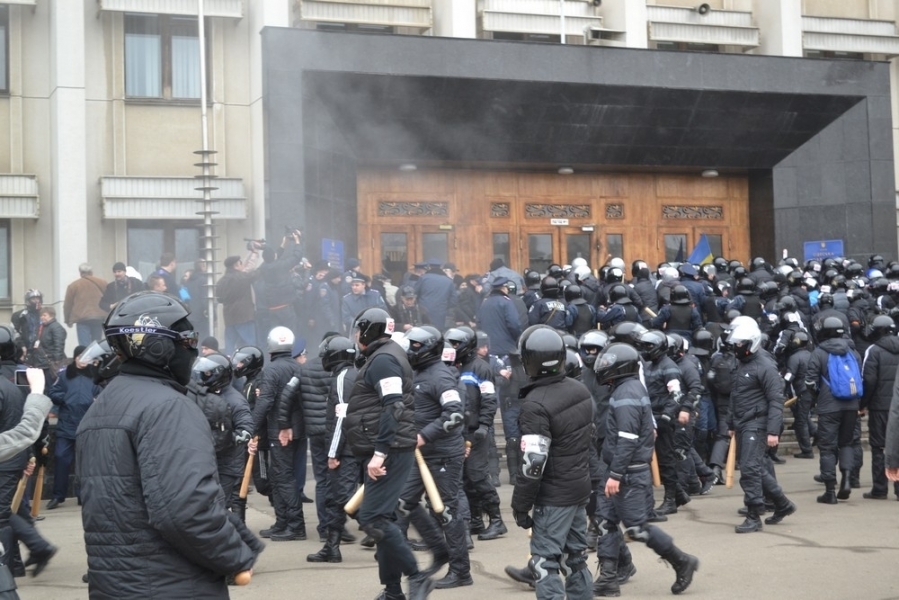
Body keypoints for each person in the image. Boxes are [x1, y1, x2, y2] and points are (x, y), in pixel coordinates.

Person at [76, 291, 261, 596]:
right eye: (187, 339)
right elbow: (186, 510)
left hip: (113, 585)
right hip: (171, 584)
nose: (193, 349)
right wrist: (236, 555)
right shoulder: (169, 407)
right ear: (159, 346)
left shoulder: (100, 407)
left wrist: (242, 538)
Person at [593, 342, 699, 597]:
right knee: (605, 521)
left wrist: (616, 474)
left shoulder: (626, 393)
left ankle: (682, 561)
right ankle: (608, 577)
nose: (603, 368)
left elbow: (628, 439)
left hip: (628, 472)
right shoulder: (625, 388)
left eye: (608, 364)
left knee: (637, 528)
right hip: (619, 469)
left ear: (620, 367)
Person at [343, 308, 433, 600]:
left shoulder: (383, 360)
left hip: (390, 448)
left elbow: (393, 406)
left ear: (369, 331)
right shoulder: (385, 354)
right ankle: (393, 590)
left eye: (358, 331)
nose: (356, 336)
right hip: (387, 446)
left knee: (373, 519)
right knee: (385, 518)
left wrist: (380, 453)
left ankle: (417, 577)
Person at [511, 325, 593, 600]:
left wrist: (521, 505)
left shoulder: (536, 404)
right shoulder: (580, 390)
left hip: (554, 495)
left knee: (543, 563)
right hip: (579, 488)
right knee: (575, 559)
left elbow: (533, 463)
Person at [400, 326, 470, 589]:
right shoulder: (416, 373)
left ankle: (461, 571)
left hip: (442, 457)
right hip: (419, 456)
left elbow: (454, 414)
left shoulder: (440, 376)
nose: (411, 349)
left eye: (416, 346)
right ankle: (438, 549)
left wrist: (424, 435)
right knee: (403, 503)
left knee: (447, 511)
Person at [726, 317, 796, 532]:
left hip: (758, 423)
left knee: (749, 468)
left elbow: (776, 399)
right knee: (754, 467)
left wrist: (773, 431)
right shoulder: (741, 363)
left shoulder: (764, 365)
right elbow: (735, 395)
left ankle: (754, 515)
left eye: (740, 343)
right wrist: (731, 423)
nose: (736, 347)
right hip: (744, 421)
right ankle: (783, 504)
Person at [444, 327, 504, 543]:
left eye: (456, 344)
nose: (452, 348)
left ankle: (497, 520)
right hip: (458, 430)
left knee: (477, 475)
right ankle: (476, 519)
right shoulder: (451, 367)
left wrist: (484, 426)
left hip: (476, 430)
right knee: (465, 478)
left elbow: (489, 399)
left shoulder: (481, 368)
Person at [306, 335, 358, 563]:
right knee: (335, 498)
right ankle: (332, 547)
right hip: (351, 447)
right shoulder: (350, 375)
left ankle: (387, 537)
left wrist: (333, 453)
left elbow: (341, 419)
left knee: (345, 499)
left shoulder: (342, 378)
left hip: (345, 450)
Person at [253, 327, 306, 541]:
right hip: (297, 429)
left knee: (283, 478)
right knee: (279, 476)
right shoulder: (297, 366)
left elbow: (266, 401)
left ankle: (295, 526)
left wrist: (251, 426)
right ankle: (282, 522)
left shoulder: (272, 370)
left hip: (279, 430)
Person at [805, 316, 862, 504]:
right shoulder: (853, 352)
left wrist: (816, 399)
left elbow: (810, 382)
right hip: (851, 405)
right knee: (846, 443)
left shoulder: (819, 353)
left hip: (829, 406)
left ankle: (830, 490)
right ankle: (846, 479)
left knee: (827, 447)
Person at [188, 352, 254, 512]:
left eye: (209, 373)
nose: (204, 376)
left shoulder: (235, 401)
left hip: (228, 465)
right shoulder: (205, 396)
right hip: (210, 461)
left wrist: (222, 438)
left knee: (222, 507)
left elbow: (246, 431)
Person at [45, 346, 98, 510]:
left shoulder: (96, 376)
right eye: (81, 357)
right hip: (66, 425)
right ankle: (58, 496)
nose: (84, 361)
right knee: (61, 458)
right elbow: (52, 392)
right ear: (75, 358)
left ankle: (83, 495)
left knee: (86, 463)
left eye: (87, 358)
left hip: (88, 425)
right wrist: (65, 398)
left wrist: (96, 399)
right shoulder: (64, 375)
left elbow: (104, 393)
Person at [861, 315, 899, 499]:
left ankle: (879, 488)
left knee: (878, 447)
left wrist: (863, 404)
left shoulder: (874, 350)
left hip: (880, 406)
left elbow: (868, 380)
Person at [217, 252, 260, 356]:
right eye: (241, 264)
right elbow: (255, 273)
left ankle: (229, 367)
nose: (242, 266)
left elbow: (220, 299)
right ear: (236, 265)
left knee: (230, 347)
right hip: (244, 317)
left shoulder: (221, 281)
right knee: (250, 345)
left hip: (229, 318)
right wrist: (255, 254)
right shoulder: (241, 277)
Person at [62, 264, 108, 346]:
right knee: (96, 344)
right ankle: (96, 358)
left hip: (82, 319)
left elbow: (67, 305)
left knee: (84, 346)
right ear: (91, 272)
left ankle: (86, 358)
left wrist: (67, 320)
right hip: (99, 317)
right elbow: (109, 299)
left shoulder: (73, 285)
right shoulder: (103, 283)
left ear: (80, 273)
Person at [415, 260, 458, 331]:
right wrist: (444, 307)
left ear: (429, 267)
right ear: (441, 268)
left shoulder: (423, 278)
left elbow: (415, 294)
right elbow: (453, 301)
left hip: (423, 312)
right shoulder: (448, 281)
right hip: (441, 313)